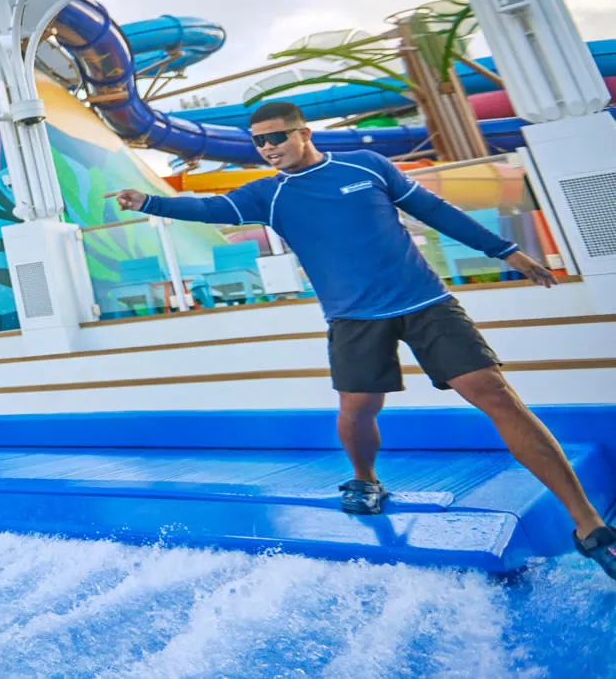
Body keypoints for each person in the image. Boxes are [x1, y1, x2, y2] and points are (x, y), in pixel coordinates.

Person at [111, 100, 614, 580]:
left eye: (276, 137)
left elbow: (436, 211)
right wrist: (149, 201)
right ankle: (366, 479)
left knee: (494, 392)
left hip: (426, 303)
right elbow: (209, 209)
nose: (267, 148)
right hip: (354, 319)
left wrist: (507, 250)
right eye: (258, 142)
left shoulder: (366, 167)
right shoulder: (271, 194)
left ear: (303, 132)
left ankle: (588, 525)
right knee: (358, 409)